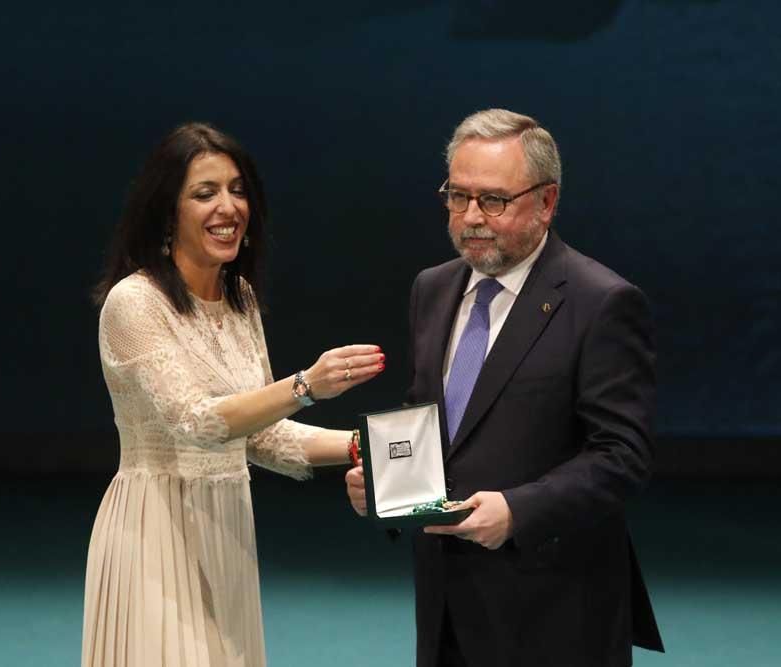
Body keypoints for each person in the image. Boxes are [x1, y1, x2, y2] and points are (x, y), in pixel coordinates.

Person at [345, 109, 664, 667]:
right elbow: (432, 421)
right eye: (457, 197)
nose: (471, 218)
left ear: (546, 203)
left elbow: (622, 455)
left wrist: (518, 510)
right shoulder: (433, 288)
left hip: (555, 610)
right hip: (445, 602)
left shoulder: (602, 302)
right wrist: (384, 486)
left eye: (493, 200)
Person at [83, 122, 384, 667]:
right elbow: (197, 422)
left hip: (227, 538)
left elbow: (260, 434)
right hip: (155, 533)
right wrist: (306, 386)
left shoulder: (240, 298)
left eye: (238, 190)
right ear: (167, 210)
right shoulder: (135, 303)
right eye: (205, 193)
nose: (228, 207)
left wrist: (367, 446)